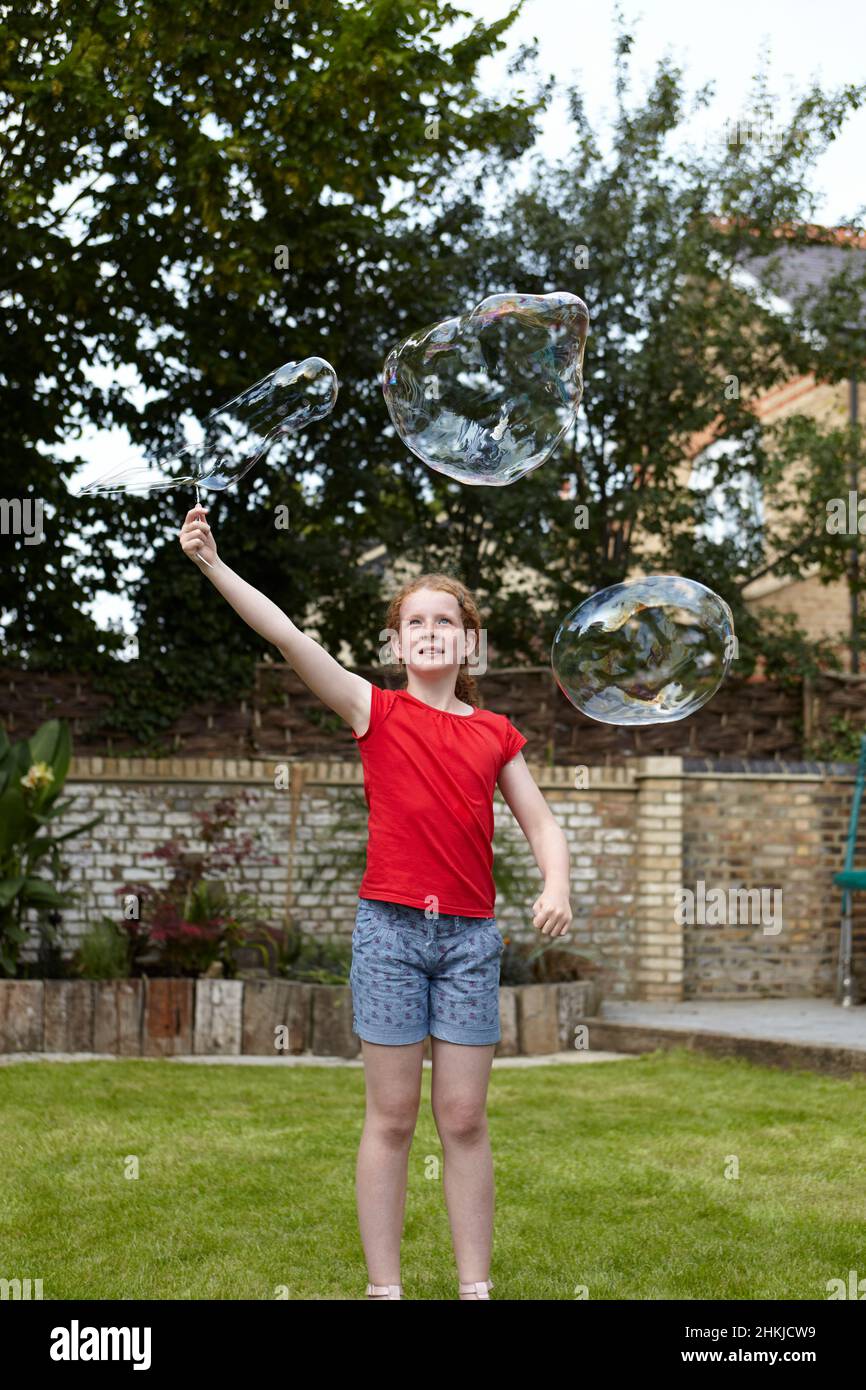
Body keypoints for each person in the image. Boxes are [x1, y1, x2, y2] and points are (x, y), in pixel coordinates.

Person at [179, 503, 573, 1300]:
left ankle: (474, 1290)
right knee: (392, 1117)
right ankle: (384, 1291)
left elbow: (541, 822)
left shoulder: (497, 732)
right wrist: (214, 565)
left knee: (462, 1118)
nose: (430, 632)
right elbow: (289, 637)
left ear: (469, 642)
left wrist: (556, 883)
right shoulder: (373, 710)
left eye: (446, 621)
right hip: (390, 934)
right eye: (414, 622)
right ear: (395, 644)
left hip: (468, 940)